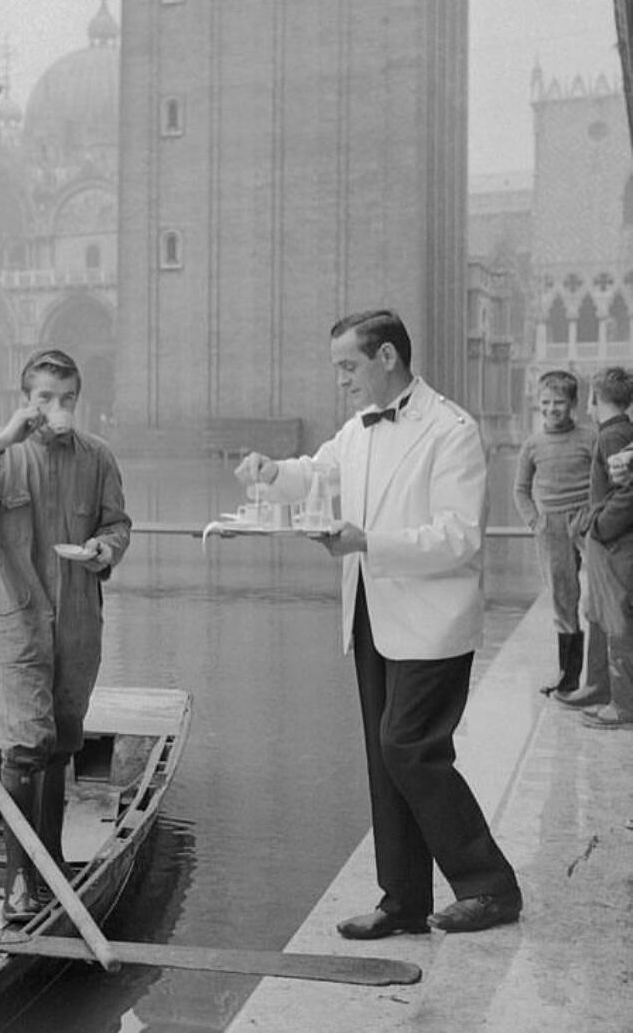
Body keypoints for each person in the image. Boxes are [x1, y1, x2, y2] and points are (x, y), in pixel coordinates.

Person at [237, 309, 522, 938]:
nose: (341, 379)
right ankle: (403, 902)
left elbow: (460, 537)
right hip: (371, 613)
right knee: (383, 756)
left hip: (432, 622)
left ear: (387, 357)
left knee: (408, 748)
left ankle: (490, 886)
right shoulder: (358, 427)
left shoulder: (451, 430)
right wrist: (271, 472)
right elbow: (318, 471)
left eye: (349, 366)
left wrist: (368, 542)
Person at [0, 349, 131, 923]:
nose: (56, 408)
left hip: (78, 621)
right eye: (45, 397)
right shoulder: (2, 453)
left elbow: (118, 523)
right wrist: (1, 438)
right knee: (23, 746)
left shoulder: (97, 457)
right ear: (26, 399)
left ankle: (51, 861)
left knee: (62, 741)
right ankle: (19, 882)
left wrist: (104, 549)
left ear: (78, 400)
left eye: (66, 398)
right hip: (17, 621)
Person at [512, 370, 594, 696]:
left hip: (587, 522)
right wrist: (536, 522)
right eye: (545, 402)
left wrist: (593, 513)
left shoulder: (590, 437)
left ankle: (603, 678)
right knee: (563, 598)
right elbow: (520, 490)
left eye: (559, 402)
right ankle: (568, 678)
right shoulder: (532, 445)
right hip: (552, 528)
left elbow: (603, 479)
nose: (551, 409)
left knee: (603, 594)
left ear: (573, 403)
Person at [561, 368, 633, 720]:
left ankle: (623, 703)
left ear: (593, 398)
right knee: (599, 612)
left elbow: (628, 494)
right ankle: (599, 686)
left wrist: (599, 527)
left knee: (616, 619)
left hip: (616, 545)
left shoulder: (613, 436)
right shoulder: (618, 433)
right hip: (611, 544)